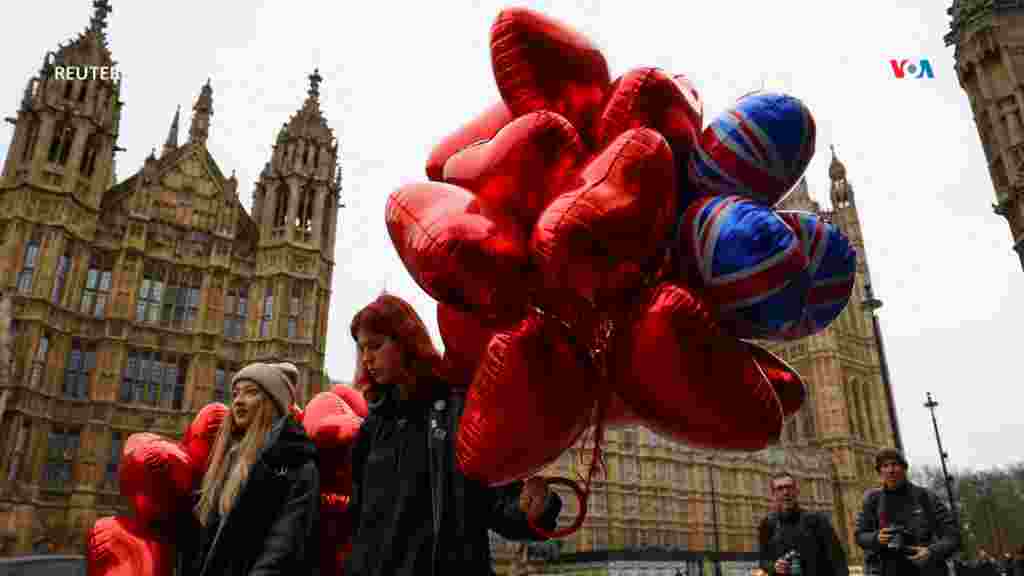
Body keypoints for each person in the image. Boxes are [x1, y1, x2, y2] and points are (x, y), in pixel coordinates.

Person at [344, 293, 563, 576]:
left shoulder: (456, 412)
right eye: (361, 349)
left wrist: (536, 507)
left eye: (375, 345)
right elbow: (361, 526)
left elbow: (498, 504)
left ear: (406, 342)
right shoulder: (371, 428)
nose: (366, 358)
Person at [176, 362, 320, 576]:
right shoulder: (224, 461)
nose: (239, 401)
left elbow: (281, 549)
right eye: (235, 394)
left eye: (251, 393)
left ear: (273, 403)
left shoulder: (296, 466)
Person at [855, 449, 959, 576]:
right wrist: (876, 538)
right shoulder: (873, 500)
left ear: (904, 468)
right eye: (885, 466)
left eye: (894, 464)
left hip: (925, 569)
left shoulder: (926, 497)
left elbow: (953, 536)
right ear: (880, 472)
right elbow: (860, 535)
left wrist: (931, 551)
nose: (890, 470)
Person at [757, 471, 848, 575]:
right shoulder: (767, 524)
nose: (786, 492)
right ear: (773, 494)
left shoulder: (817, 521)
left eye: (789, 487)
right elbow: (763, 561)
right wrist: (774, 566)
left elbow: (838, 560)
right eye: (780, 489)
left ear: (797, 491)